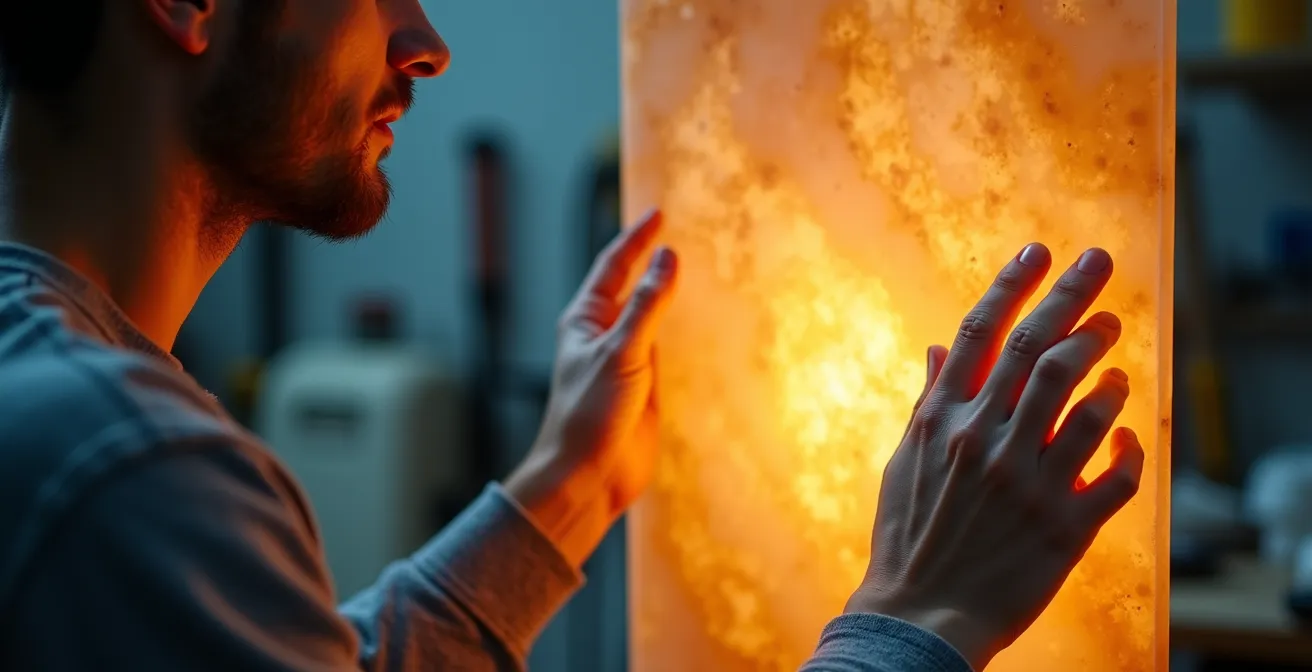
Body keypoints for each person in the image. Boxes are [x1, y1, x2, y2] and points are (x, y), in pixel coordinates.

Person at [0, 1, 1143, 670]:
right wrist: (913, 615)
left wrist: (571, 484)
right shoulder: (130, 469)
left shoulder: (58, 391)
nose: (425, 40)